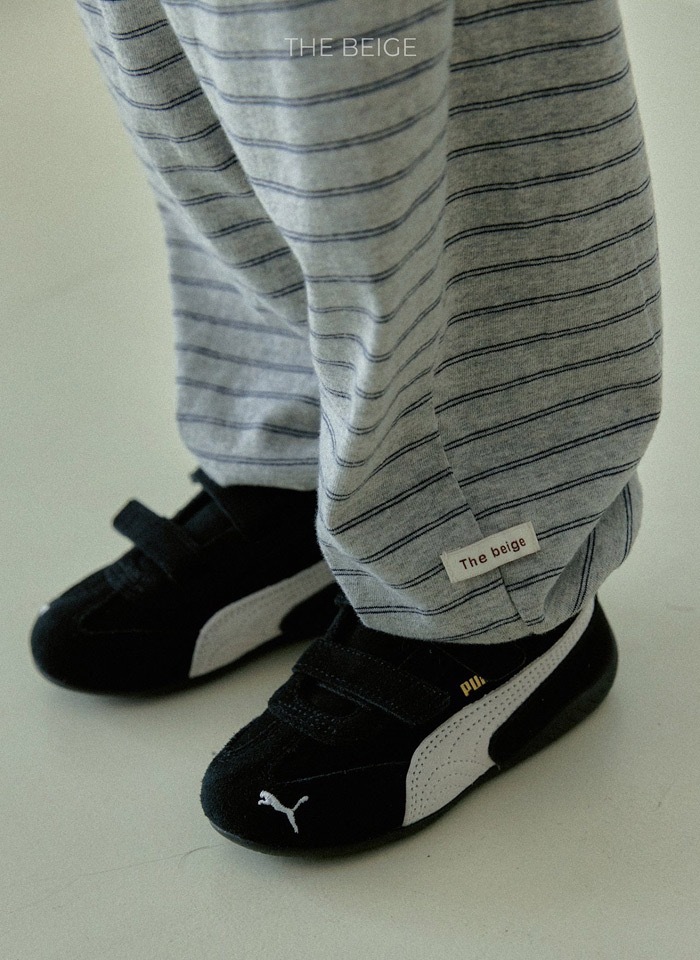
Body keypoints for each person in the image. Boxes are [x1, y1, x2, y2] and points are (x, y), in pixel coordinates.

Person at [31, 0, 661, 854]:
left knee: (372, 50)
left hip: (492, 538)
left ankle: (496, 563)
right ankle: (307, 455)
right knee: (212, 51)